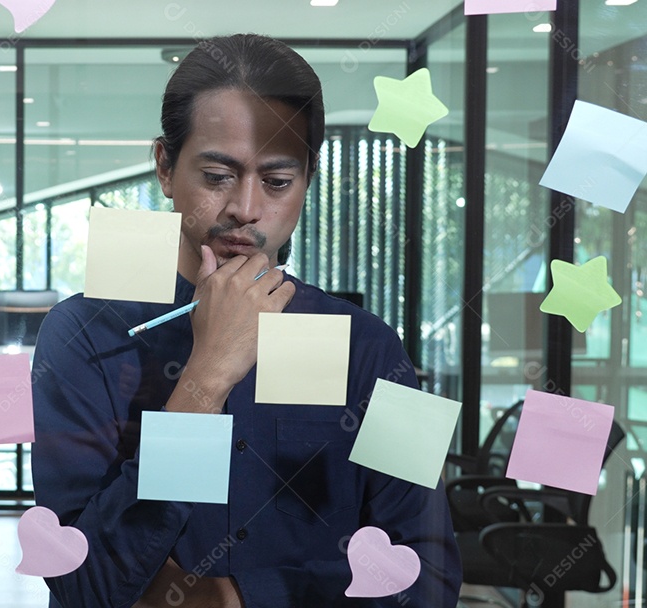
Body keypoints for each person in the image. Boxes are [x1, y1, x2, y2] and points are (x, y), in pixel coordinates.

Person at [31, 34, 462, 607]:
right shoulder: (80, 334)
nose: (246, 208)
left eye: (278, 182)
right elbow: (83, 587)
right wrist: (204, 382)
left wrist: (239, 598)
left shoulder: (373, 346)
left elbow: (431, 574)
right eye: (217, 176)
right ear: (164, 165)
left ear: (309, 178)